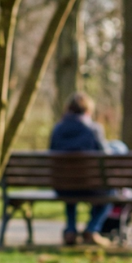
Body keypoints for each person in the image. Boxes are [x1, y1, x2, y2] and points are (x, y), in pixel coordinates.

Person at [49, 91, 112, 247]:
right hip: (91, 187)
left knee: (71, 190)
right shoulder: (94, 130)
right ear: (88, 110)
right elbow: (106, 157)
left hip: (63, 187)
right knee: (110, 194)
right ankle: (92, 229)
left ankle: (70, 230)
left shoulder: (57, 130)